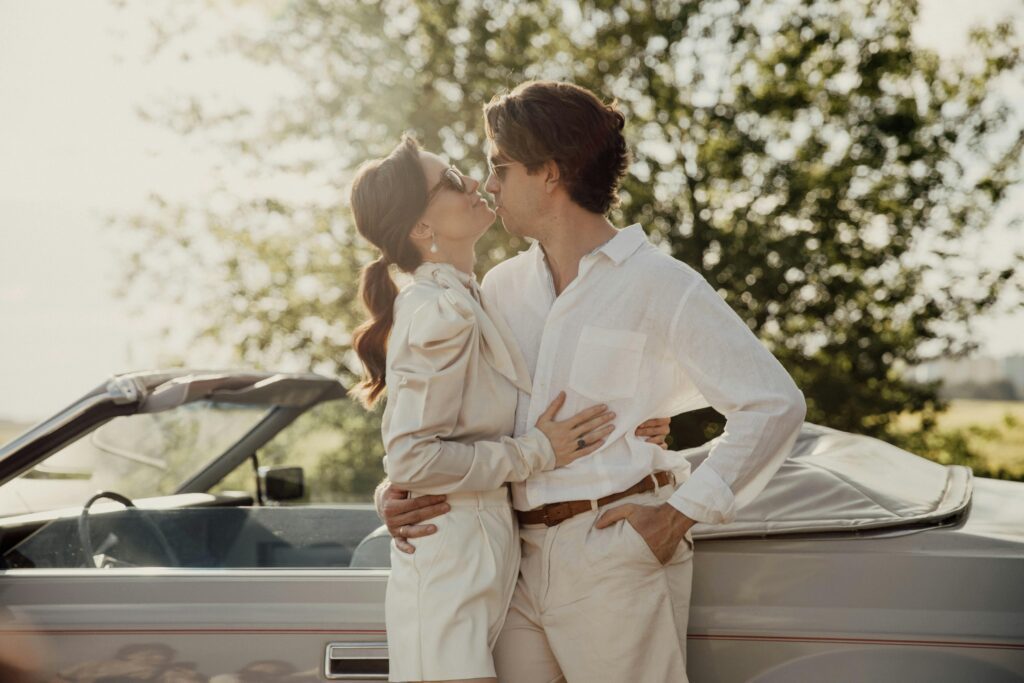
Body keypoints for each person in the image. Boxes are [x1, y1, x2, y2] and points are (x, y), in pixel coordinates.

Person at [378, 80, 807, 682]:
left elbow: (774, 404)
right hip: (513, 563)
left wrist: (676, 516)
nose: (490, 184)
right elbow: (455, 417)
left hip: (613, 551)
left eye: (500, 166)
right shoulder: (499, 289)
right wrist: (396, 488)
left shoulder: (660, 282)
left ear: (548, 173)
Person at [348, 135, 670, 683]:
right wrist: (537, 452)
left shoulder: (476, 296)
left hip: (490, 559)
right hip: (450, 565)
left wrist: (640, 421)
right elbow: (411, 457)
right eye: (449, 180)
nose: (473, 181)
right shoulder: (438, 311)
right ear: (421, 229)